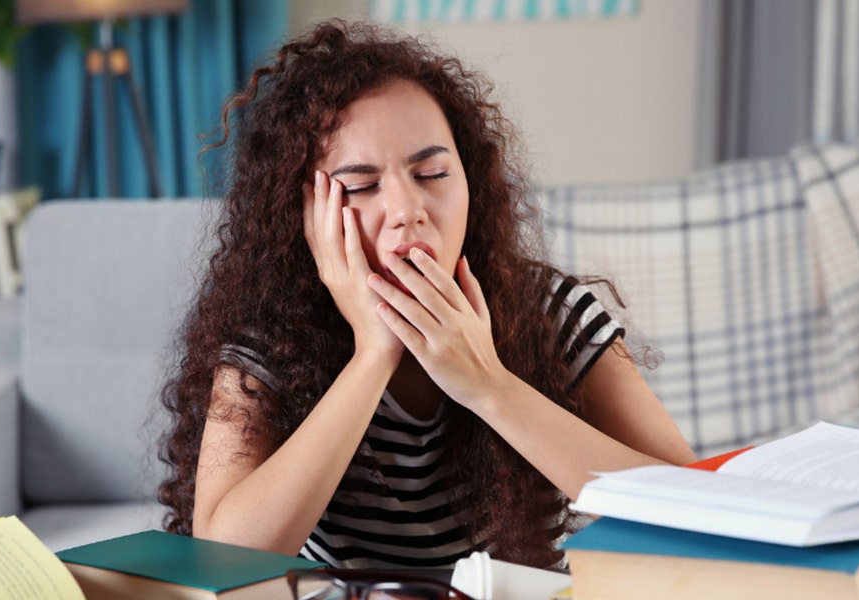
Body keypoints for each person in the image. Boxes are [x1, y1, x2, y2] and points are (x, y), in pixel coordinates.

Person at [159, 20, 696, 570]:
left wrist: (488, 385)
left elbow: (700, 510)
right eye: (362, 186)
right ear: (308, 214)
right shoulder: (269, 341)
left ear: (470, 180)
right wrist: (372, 354)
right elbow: (222, 558)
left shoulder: (548, 314)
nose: (407, 209)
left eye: (433, 172)